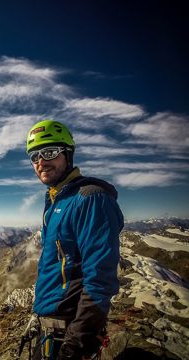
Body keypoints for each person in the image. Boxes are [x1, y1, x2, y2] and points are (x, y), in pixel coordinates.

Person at [26, 120, 123, 360]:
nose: (40, 162)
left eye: (49, 152)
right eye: (34, 156)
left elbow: (100, 279)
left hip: (68, 332)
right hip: (52, 327)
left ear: (68, 154)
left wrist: (75, 344)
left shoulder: (90, 199)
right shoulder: (56, 200)